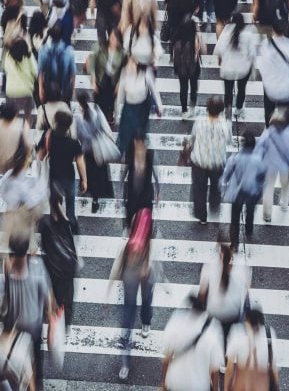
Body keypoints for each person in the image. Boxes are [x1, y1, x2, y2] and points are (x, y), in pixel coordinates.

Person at [0, 232, 53, 390]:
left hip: (13, 328)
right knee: (35, 366)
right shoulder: (37, 266)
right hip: (34, 327)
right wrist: (50, 314)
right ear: (26, 248)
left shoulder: (4, 269)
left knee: (13, 365)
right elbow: (47, 296)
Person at [111, 206, 155, 380]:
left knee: (146, 301)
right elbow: (115, 270)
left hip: (144, 282)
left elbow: (156, 271)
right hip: (129, 287)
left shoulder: (148, 249)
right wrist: (107, 293)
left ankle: (146, 321)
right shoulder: (126, 248)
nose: (135, 254)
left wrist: (147, 269)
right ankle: (125, 362)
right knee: (127, 320)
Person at [37, 110, 87, 234]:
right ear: (68, 126)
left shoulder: (48, 137)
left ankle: (55, 225)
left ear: (55, 123)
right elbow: (80, 162)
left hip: (54, 176)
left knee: (55, 202)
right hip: (69, 176)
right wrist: (84, 179)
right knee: (70, 201)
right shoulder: (74, 143)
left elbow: (40, 156)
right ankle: (72, 224)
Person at [161, 294, 224, 391]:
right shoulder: (213, 331)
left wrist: (163, 384)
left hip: (175, 382)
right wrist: (215, 389)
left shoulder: (176, 322)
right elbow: (214, 370)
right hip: (199, 386)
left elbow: (167, 359)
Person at [187, 97, 231, 224]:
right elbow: (229, 140)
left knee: (199, 189)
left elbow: (193, 137)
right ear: (221, 110)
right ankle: (214, 207)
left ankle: (202, 216)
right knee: (216, 188)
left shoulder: (200, 121)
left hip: (200, 161)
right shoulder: (225, 125)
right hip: (217, 163)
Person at [39, 189, 79, 328]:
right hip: (66, 269)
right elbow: (73, 236)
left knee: (52, 298)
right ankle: (64, 324)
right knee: (66, 299)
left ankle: (52, 323)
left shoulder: (45, 225)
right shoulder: (67, 224)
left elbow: (44, 247)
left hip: (52, 269)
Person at [255, 107, 289, 223]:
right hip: (285, 165)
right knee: (285, 184)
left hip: (269, 165)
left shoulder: (268, 133)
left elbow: (259, 150)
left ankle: (267, 214)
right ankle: (284, 203)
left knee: (268, 188)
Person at [221, 132, 267, 249]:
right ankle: (249, 228)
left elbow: (227, 172)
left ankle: (235, 243)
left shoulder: (235, 158)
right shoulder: (258, 160)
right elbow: (262, 176)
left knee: (235, 217)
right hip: (252, 191)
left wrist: (224, 183)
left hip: (237, 192)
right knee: (250, 210)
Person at [198, 242, 251, 338]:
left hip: (214, 313)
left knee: (207, 334)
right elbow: (246, 289)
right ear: (231, 254)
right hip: (233, 313)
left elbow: (201, 293)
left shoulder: (210, 266)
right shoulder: (241, 267)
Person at [257, 20, 289, 126]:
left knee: (269, 113)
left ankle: (269, 129)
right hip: (285, 90)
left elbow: (262, 67)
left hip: (270, 89)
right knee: (285, 119)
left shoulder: (265, 45)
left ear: (272, 29)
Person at [75, 92, 115, 213]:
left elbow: (78, 135)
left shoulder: (78, 118)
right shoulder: (96, 110)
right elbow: (105, 127)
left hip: (88, 150)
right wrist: (110, 139)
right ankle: (99, 195)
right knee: (100, 172)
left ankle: (90, 192)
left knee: (90, 174)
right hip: (99, 148)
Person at [224, 308, 279, 391]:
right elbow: (274, 368)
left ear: (247, 322)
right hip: (262, 386)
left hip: (241, 385)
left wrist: (225, 388)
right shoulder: (269, 335)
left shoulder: (237, 334)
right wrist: (277, 386)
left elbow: (229, 369)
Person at [115, 61, 163, 156]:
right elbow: (119, 96)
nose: (129, 66)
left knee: (140, 135)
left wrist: (159, 106)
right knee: (128, 134)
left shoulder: (146, 74)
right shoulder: (125, 75)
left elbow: (154, 91)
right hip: (129, 109)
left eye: (132, 64)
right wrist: (116, 115)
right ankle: (129, 154)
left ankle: (138, 155)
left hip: (142, 109)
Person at [216, 13, 257, 119]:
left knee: (228, 91)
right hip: (243, 69)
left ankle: (228, 109)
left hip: (228, 68)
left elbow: (219, 50)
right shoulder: (248, 35)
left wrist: (220, 61)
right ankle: (238, 108)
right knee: (241, 89)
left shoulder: (225, 33)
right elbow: (252, 54)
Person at [87, 27, 127, 124]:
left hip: (113, 80)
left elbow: (124, 69)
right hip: (101, 77)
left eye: (116, 39)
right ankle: (100, 119)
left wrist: (119, 84)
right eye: (112, 38)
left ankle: (108, 115)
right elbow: (91, 63)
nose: (114, 41)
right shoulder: (100, 47)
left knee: (110, 100)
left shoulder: (122, 53)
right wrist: (93, 80)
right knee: (99, 101)